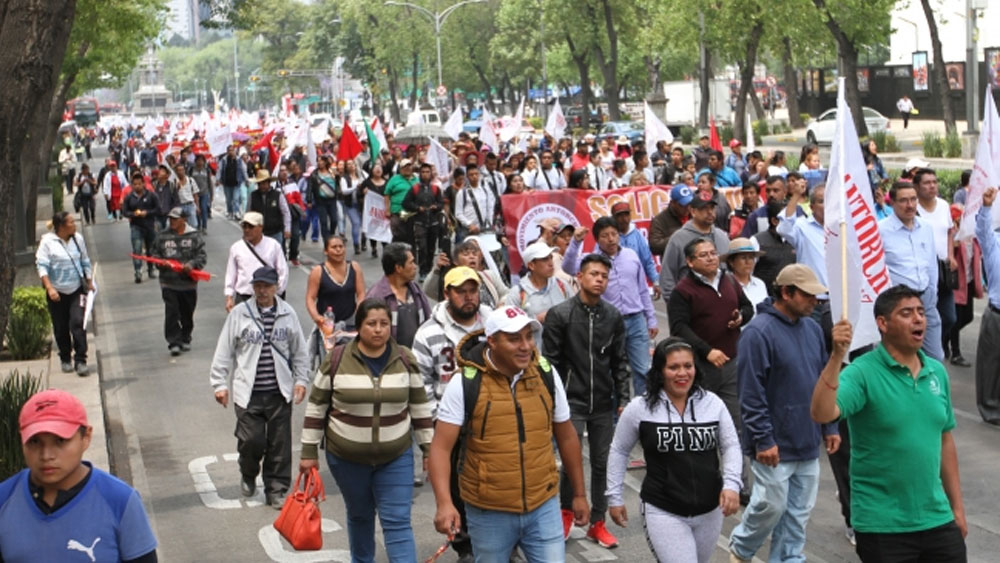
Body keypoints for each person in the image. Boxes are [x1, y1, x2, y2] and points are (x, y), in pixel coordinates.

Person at [810, 286, 968, 562]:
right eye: (906, 313)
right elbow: (822, 413)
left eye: (920, 312)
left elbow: (945, 441)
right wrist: (837, 357)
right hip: (882, 525)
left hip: (938, 520)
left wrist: (957, 509)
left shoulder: (936, 372)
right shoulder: (862, 373)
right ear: (882, 324)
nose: (918, 319)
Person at [428, 307, 590, 561]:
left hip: (543, 504)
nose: (526, 346)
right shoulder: (465, 383)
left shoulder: (546, 374)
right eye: (514, 339)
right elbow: (440, 448)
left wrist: (579, 494)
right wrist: (444, 504)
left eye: (528, 336)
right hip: (488, 511)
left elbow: (567, 436)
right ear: (492, 341)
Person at [299, 298, 432, 563]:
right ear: (359, 326)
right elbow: (316, 406)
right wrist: (308, 451)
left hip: (396, 456)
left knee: (397, 522)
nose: (378, 329)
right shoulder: (336, 359)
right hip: (347, 458)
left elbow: (419, 407)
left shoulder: (405, 358)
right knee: (360, 516)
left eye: (384, 323)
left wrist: (429, 449)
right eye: (371, 323)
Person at [729, 264, 840, 563]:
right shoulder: (757, 333)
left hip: (806, 436)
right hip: (773, 443)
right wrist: (764, 439)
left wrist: (830, 425)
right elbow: (751, 394)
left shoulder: (813, 329)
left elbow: (823, 381)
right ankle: (741, 549)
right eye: (808, 296)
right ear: (786, 293)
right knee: (771, 505)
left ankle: (789, 559)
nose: (815, 302)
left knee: (798, 513)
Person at [606, 338, 741, 563]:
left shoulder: (713, 404)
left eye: (688, 366)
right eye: (673, 367)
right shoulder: (639, 408)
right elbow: (619, 450)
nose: (682, 373)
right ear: (660, 371)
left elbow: (731, 446)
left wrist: (732, 485)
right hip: (663, 510)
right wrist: (614, 497)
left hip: (710, 511)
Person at [0, 389, 158, 562]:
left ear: (86, 437)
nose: (46, 455)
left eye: (60, 440)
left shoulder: (121, 501)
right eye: (34, 442)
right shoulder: (4, 499)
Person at [543, 254, 630, 548]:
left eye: (604, 276)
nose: (599, 280)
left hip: (603, 402)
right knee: (571, 460)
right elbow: (550, 363)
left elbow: (620, 360)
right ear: (579, 277)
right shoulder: (560, 314)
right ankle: (567, 512)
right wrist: (553, 401)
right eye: (593, 274)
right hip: (570, 401)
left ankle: (598, 522)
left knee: (603, 462)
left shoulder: (613, 316)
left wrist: (624, 397)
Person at [209, 266, 310, 508]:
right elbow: (224, 350)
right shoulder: (240, 314)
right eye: (258, 286)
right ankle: (248, 472)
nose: (262, 291)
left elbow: (299, 352)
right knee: (251, 441)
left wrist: (301, 380)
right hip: (248, 394)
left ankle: (276, 489)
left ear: (277, 287)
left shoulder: (288, 314)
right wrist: (219, 384)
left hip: (279, 392)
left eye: (266, 286)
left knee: (279, 444)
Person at [411, 266, 492, 561]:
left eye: (473, 290)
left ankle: (500, 541)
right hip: (450, 426)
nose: (469, 297)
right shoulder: (429, 333)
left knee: (492, 484)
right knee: (457, 489)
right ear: (447, 294)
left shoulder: (491, 323)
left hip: (491, 420)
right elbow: (421, 385)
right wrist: (436, 423)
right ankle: (465, 545)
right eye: (461, 291)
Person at [668, 236, 753, 442]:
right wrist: (707, 351)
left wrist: (740, 318)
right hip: (701, 366)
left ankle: (736, 474)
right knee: (702, 424)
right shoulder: (683, 290)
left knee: (735, 426)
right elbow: (679, 327)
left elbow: (748, 307)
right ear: (690, 261)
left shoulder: (729, 280)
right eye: (703, 255)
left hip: (732, 361)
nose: (710, 259)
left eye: (713, 253)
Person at [565, 217, 659, 396]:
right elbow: (568, 267)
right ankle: (616, 419)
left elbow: (642, 289)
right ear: (597, 239)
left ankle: (643, 412)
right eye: (605, 235)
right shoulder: (591, 260)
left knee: (644, 370)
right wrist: (575, 242)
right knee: (611, 372)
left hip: (636, 320)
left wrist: (651, 318)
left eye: (614, 234)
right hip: (608, 323)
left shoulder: (631, 255)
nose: (611, 239)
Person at [878, 181, 944, 361]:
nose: (910, 205)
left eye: (913, 199)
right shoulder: (881, 230)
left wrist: (932, 293)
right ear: (892, 203)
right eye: (904, 201)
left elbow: (931, 264)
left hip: (926, 300)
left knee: (935, 357)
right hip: (897, 304)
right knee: (900, 356)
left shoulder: (926, 228)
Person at [35, 212, 93, 376]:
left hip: (76, 289)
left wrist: (89, 281)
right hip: (57, 293)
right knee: (60, 327)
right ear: (61, 227)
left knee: (78, 323)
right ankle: (65, 357)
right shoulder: (47, 242)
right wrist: (50, 288)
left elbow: (85, 260)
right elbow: (42, 266)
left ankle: (81, 360)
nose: (74, 225)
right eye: (71, 222)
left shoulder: (78, 239)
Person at [913, 168, 957, 360]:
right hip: (921, 270)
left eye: (934, 181)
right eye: (927, 183)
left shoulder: (943, 205)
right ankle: (924, 349)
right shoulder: (913, 209)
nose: (932, 186)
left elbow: (949, 231)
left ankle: (933, 343)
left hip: (942, 268)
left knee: (949, 317)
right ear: (916, 186)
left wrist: (951, 255)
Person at [152, 207, 207, 356]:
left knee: (187, 312)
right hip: (168, 282)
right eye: (170, 219)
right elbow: (154, 253)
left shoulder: (194, 236)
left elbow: (201, 256)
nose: (172, 222)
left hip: (188, 283)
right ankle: (174, 342)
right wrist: (160, 262)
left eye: (176, 219)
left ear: (184, 220)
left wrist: (191, 265)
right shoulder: (162, 236)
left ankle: (185, 337)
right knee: (172, 312)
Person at [304, 235, 366, 364]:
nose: (338, 250)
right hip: (328, 327)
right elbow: (310, 298)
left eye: (341, 247)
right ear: (326, 251)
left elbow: (361, 294)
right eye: (334, 247)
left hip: (350, 325)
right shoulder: (318, 271)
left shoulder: (354, 267)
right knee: (329, 364)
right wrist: (317, 318)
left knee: (351, 363)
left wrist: (360, 311)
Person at [660, 195, 729, 303]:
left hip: (722, 304)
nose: (710, 212)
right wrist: (676, 306)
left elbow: (730, 271)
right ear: (693, 211)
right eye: (704, 208)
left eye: (712, 208)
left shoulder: (722, 236)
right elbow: (667, 275)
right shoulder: (678, 238)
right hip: (692, 306)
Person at [366, 242, 432, 348]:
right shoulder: (376, 297)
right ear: (398, 268)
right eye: (411, 263)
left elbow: (429, 319)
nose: (415, 267)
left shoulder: (415, 291)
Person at [223, 212, 288, 312]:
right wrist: (229, 297)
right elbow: (231, 274)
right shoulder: (236, 248)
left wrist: (276, 294)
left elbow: (282, 272)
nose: (247, 230)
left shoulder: (273, 246)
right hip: (244, 297)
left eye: (251, 227)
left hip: (268, 298)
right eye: (244, 226)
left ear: (260, 227)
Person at [975, 187, 1000, 423]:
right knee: (991, 363)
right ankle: (991, 410)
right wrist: (986, 206)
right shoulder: (994, 243)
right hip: (997, 314)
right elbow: (982, 230)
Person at [423, 240, 509, 308]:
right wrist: (437, 269)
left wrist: (502, 304)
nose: (472, 257)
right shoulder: (452, 280)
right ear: (455, 261)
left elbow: (506, 293)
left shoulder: (489, 276)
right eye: (466, 254)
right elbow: (429, 291)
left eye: (474, 254)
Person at [505, 241, 574, 325]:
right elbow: (510, 326)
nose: (551, 263)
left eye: (551, 257)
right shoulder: (517, 294)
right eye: (545, 259)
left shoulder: (562, 285)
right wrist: (536, 320)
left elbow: (575, 313)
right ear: (531, 265)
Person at [950, 203, 982, 368]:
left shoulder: (973, 237)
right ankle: (955, 353)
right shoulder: (954, 237)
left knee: (967, 317)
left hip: (969, 282)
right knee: (956, 318)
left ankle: (946, 336)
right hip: (956, 283)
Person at [402, 162, 445, 278]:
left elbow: (441, 203)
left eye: (427, 172)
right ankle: (422, 270)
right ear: (420, 174)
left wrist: (436, 207)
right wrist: (417, 208)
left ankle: (429, 269)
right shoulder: (415, 189)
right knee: (422, 248)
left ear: (431, 174)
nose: (425, 174)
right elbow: (405, 203)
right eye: (423, 172)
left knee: (431, 248)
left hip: (433, 222)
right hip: (419, 222)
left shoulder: (436, 189)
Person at [611, 201, 660, 296]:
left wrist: (655, 281)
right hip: (615, 288)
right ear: (614, 218)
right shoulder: (610, 236)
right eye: (620, 216)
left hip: (637, 286)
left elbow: (647, 260)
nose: (624, 219)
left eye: (626, 215)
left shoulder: (637, 235)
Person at [122, 173, 161, 284]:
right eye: (135, 184)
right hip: (136, 226)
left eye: (139, 184)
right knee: (137, 249)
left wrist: (147, 213)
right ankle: (138, 271)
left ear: (144, 184)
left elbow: (158, 209)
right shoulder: (129, 197)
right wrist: (134, 214)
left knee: (151, 249)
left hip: (150, 225)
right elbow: (125, 212)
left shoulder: (151, 195)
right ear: (132, 185)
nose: (137, 186)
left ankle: (150, 269)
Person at [752, 201, 797, 292]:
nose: (792, 222)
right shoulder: (756, 241)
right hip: (765, 298)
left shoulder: (796, 240)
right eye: (787, 219)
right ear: (774, 221)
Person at [248, 169, 291, 250]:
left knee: (277, 255)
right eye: (260, 183)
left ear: (269, 183)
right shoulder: (253, 196)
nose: (262, 186)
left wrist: (287, 229)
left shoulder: (278, 195)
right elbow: (248, 213)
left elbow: (286, 213)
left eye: (264, 183)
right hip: (259, 233)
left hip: (276, 232)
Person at [649, 184, 694, 257]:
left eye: (689, 203)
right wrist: (678, 237)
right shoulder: (660, 220)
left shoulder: (695, 214)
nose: (687, 207)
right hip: (674, 264)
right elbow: (654, 247)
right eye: (682, 205)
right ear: (673, 203)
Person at [725, 237, 768, 308]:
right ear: (731, 262)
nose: (748, 262)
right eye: (743, 258)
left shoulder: (760, 284)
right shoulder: (726, 285)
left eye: (751, 258)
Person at [308, 155, 341, 241]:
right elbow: (310, 187)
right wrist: (309, 200)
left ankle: (332, 233)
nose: (320, 162)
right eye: (318, 161)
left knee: (334, 220)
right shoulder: (314, 174)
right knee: (323, 222)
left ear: (326, 162)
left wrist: (338, 177)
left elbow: (338, 184)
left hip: (332, 200)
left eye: (321, 161)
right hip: (320, 201)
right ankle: (326, 240)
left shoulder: (332, 172)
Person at [384, 159, 418, 243]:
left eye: (409, 166)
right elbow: (387, 194)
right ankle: (397, 254)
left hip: (412, 213)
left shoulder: (416, 179)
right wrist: (387, 210)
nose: (407, 168)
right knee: (398, 236)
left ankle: (411, 255)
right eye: (404, 167)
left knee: (411, 237)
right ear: (400, 169)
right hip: (397, 212)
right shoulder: (394, 179)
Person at [359, 163, 389, 257]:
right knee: (373, 228)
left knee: (384, 228)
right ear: (372, 171)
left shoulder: (387, 182)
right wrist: (363, 193)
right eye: (376, 168)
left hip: (383, 210)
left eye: (380, 168)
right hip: (372, 211)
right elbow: (359, 195)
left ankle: (386, 248)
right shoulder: (366, 182)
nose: (378, 170)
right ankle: (374, 247)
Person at [218, 145, 248, 220]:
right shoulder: (224, 160)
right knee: (229, 199)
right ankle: (230, 211)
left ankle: (236, 212)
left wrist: (246, 180)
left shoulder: (239, 160)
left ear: (234, 151)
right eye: (229, 151)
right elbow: (220, 170)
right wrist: (218, 179)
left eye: (232, 150)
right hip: (227, 183)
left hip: (236, 183)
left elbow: (243, 170)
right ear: (227, 152)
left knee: (235, 198)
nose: (231, 152)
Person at [172, 163, 200, 229]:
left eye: (182, 170)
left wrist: (197, 206)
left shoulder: (190, 180)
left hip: (190, 205)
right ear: (176, 172)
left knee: (194, 224)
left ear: (184, 170)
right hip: (179, 206)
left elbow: (195, 194)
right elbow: (172, 196)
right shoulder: (174, 182)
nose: (181, 172)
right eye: (179, 170)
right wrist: (177, 188)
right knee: (179, 225)